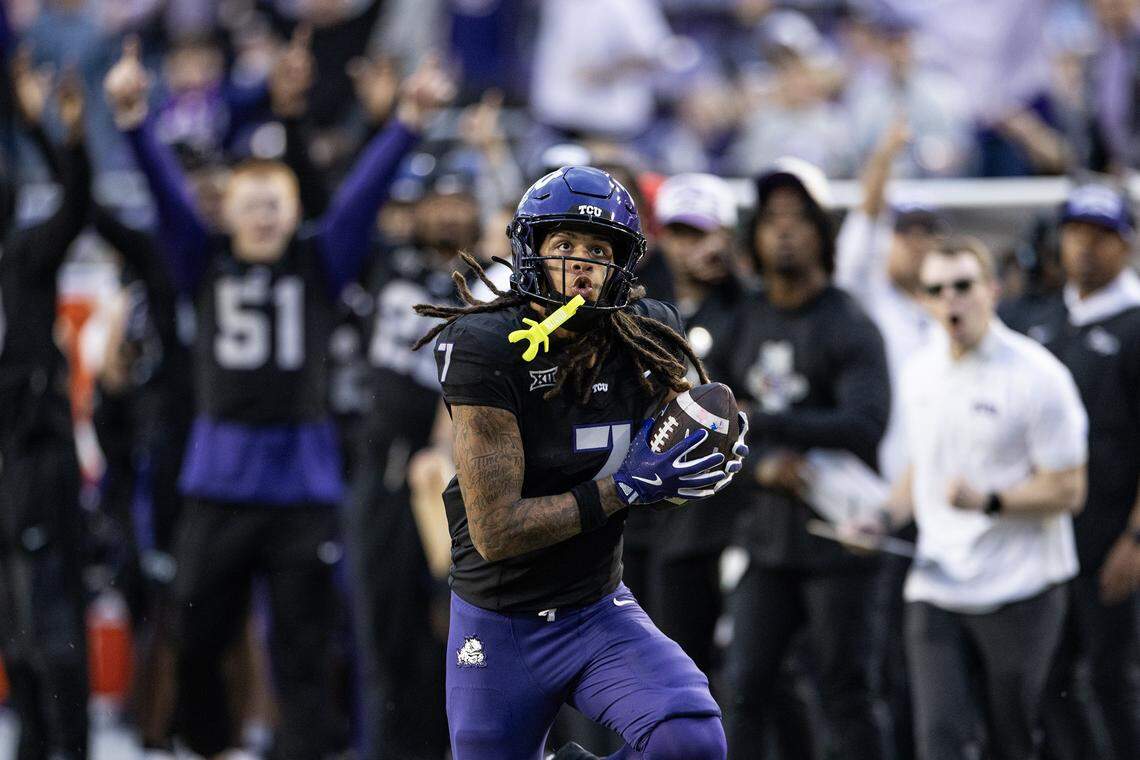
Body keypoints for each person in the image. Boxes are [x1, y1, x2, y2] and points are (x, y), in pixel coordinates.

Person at [104, 35, 454, 758]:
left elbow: (360, 201)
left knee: (303, 649)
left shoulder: (320, 261)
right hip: (220, 477)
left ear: (295, 212)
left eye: (276, 205)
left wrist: (408, 122)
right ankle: (204, 744)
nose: (264, 217)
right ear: (227, 214)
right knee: (197, 637)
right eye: (251, 206)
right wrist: (134, 121)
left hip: (301, 482)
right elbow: (169, 199)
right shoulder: (200, 259)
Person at [411, 165, 747, 760]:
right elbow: (497, 530)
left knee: (689, 740)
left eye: (597, 249)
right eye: (563, 244)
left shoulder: (649, 334)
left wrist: (707, 448)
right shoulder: (489, 347)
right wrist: (626, 488)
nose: (580, 264)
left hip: (596, 610)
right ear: (530, 251)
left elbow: (668, 454)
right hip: (499, 619)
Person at [843, 236, 1088, 760]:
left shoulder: (1037, 374)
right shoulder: (919, 371)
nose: (950, 299)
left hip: (1021, 584)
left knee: (1013, 738)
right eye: (936, 289)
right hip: (937, 581)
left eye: (963, 286)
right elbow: (920, 468)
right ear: (925, 300)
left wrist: (991, 501)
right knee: (941, 738)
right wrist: (882, 518)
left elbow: (1070, 487)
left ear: (992, 291)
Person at [717, 158, 891, 759]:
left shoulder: (849, 322)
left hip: (839, 543)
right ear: (754, 236)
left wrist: (763, 422)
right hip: (768, 543)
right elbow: (715, 424)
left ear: (823, 232)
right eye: (771, 220)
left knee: (847, 693)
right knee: (743, 689)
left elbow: (866, 425)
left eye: (798, 219)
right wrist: (761, 462)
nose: (784, 231)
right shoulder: (747, 317)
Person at [1020, 183, 1140, 760]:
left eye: (1102, 236)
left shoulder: (1136, 325)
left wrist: (1137, 540)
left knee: (1113, 683)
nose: (1086, 248)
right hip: (1045, 541)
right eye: (1076, 234)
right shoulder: (1040, 321)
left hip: (1110, 538)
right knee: (1046, 682)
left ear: (1127, 245)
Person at [0, 57, 91, 760]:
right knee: (13, 628)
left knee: (50, 617)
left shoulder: (25, 257)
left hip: (37, 458)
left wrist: (42, 129)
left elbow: (75, 198)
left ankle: (68, 745)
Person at [645, 172, 749, 677]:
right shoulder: (641, 308)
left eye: (704, 232)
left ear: (727, 235)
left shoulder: (748, 306)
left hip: (735, 509)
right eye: (681, 233)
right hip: (656, 511)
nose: (693, 247)